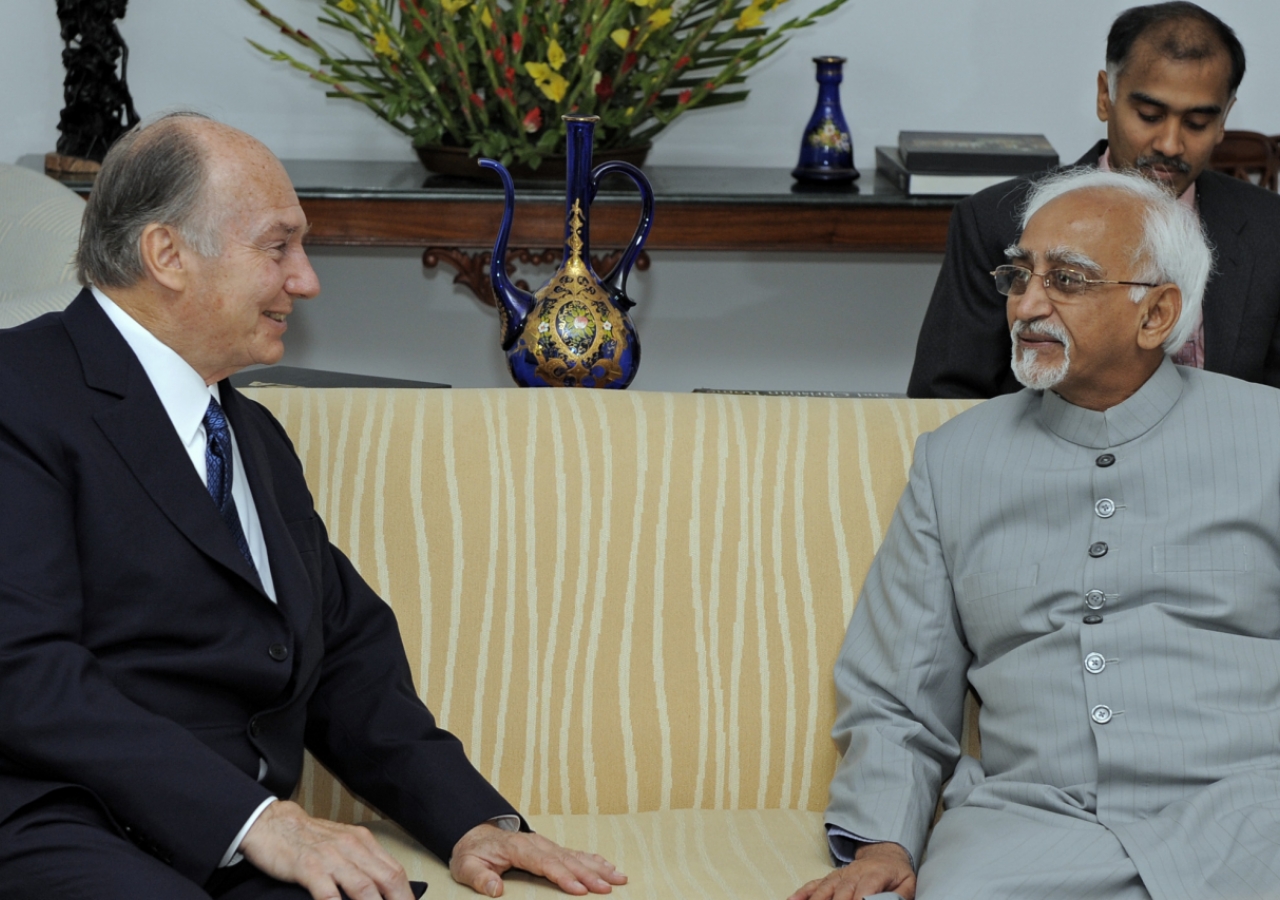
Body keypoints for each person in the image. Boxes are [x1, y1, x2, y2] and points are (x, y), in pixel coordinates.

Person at [0, 112, 628, 900]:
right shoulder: (16, 392)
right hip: (58, 827)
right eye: (277, 246)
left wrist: (472, 821)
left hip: (234, 844)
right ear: (167, 254)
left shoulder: (252, 435)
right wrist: (257, 820)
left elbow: (344, 655)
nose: (306, 279)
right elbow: (23, 673)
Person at [792, 167, 1280, 900]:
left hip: (1248, 815)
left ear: (1157, 314)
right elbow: (898, 689)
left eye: (1069, 279)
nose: (1028, 305)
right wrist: (884, 843)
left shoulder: (1268, 436)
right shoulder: (953, 461)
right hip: (1031, 828)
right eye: (1019, 276)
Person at [907, 1, 1280, 399]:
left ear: (1224, 119)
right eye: (1150, 115)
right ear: (1106, 96)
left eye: (1197, 123)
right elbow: (944, 399)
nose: (1171, 144)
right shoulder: (994, 221)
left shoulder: (1270, 230)